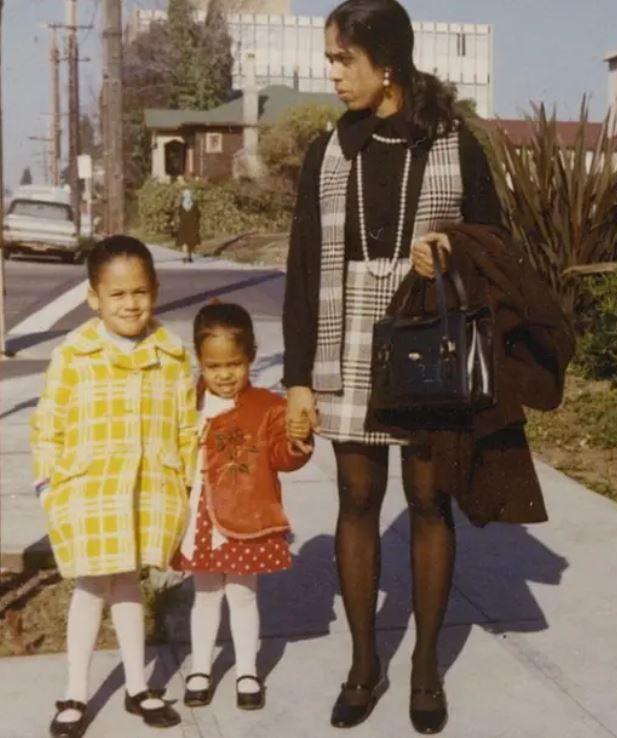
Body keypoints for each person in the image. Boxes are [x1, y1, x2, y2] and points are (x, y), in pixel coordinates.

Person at [282, 1, 505, 733]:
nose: (333, 72)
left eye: (344, 59)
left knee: (431, 502)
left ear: (388, 62)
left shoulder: (451, 140)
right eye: (331, 59)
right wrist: (296, 382)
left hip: (426, 340)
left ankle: (425, 666)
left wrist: (447, 251)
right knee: (355, 500)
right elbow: (304, 266)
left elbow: (495, 246)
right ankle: (363, 663)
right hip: (344, 342)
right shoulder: (329, 148)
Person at [31, 236, 197, 737]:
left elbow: (186, 425)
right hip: (88, 491)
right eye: (118, 294)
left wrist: (186, 484)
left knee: (129, 585)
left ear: (155, 290)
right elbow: (48, 423)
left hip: (147, 489)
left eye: (140, 292)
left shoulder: (171, 354)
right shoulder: (74, 354)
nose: (130, 304)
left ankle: (136, 685)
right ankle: (76, 692)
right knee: (89, 587)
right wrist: (47, 484)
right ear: (94, 297)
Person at [172, 303, 312, 711]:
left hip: (246, 517)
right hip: (200, 516)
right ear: (200, 361)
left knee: (243, 595)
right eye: (214, 366)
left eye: (234, 363)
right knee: (206, 595)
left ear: (251, 355)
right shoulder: (188, 402)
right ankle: (201, 667)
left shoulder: (268, 406)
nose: (225, 374)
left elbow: (283, 457)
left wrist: (296, 439)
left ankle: (247, 669)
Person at [176, 188, 200, 264]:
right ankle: (189, 256)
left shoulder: (181, 206)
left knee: (184, 242)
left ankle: (185, 256)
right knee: (191, 242)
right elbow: (199, 215)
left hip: (183, 225)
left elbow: (179, 215)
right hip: (192, 225)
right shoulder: (194, 205)